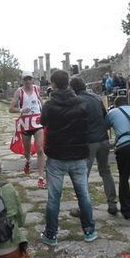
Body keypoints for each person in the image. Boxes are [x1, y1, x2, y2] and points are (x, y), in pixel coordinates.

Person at [40, 70, 97, 246]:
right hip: (79, 155)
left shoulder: (49, 105)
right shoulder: (83, 103)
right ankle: (89, 231)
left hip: (57, 156)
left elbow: (43, 122)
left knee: (53, 197)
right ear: (69, 83)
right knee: (83, 195)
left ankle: (51, 235)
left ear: (54, 84)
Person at [69, 77, 117, 216]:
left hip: (89, 141)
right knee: (105, 171)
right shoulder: (96, 98)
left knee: (83, 175)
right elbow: (106, 118)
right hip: (103, 139)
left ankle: (83, 208)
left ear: (73, 89)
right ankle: (112, 203)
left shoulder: (77, 101)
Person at [9, 71, 46, 189]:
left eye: (30, 79)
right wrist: (21, 110)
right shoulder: (19, 92)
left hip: (37, 123)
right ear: (22, 80)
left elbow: (40, 100)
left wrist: (45, 110)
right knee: (27, 150)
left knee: (40, 149)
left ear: (33, 79)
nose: (28, 81)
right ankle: (28, 160)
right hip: (25, 124)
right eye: (26, 79)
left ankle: (41, 177)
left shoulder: (36, 89)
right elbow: (11, 108)